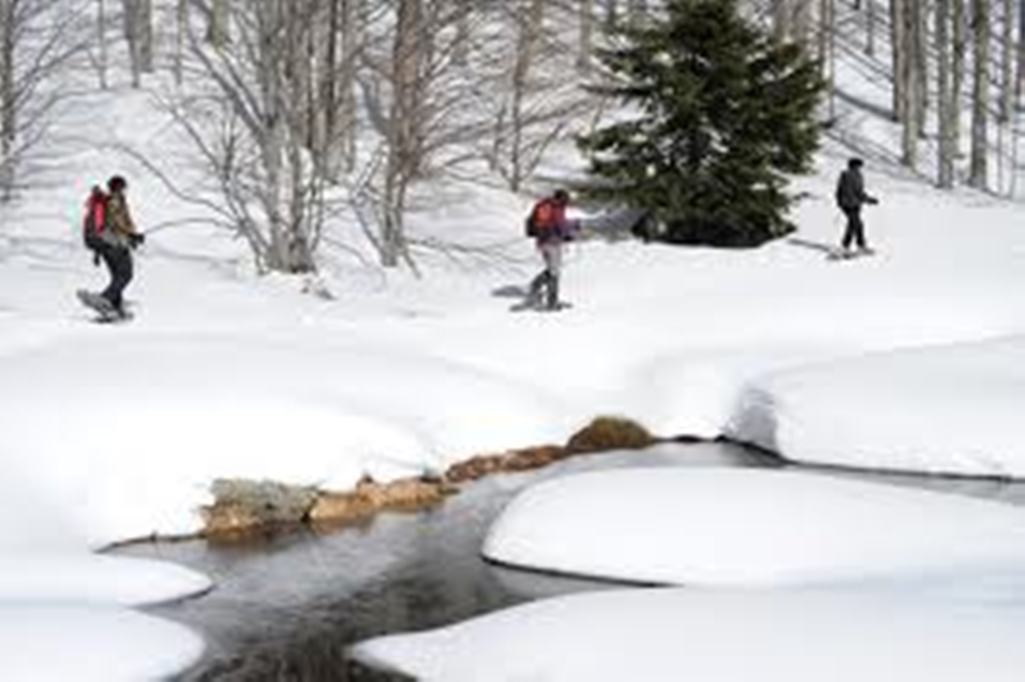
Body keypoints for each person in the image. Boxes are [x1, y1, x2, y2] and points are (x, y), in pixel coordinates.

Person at [87, 175, 144, 318]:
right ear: (119, 187)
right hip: (114, 243)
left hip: (105, 244)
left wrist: (131, 238)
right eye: (124, 187)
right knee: (126, 274)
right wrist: (132, 235)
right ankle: (105, 299)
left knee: (117, 276)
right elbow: (117, 224)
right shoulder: (115, 201)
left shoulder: (108, 201)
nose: (125, 190)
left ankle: (114, 307)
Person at [525, 189, 579, 311]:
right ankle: (551, 301)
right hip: (552, 243)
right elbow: (561, 226)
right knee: (554, 272)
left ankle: (536, 288)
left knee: (551, 269)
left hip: (542, 242)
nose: (566, 203)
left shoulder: (545, 205)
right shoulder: (556, 208)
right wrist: (572, 230)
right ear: (561, 199)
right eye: (566, 200)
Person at [835, 158, 879, 255]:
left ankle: (859, 245)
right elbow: (850, 191)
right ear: (853, 166)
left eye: (860, 166)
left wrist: (868, 199)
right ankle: (846, 246)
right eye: (858, 166)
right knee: (854, 224)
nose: (859, 168)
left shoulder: (856, 176)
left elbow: (858, 192)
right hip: (848, 204)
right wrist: (866, 200)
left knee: (857, 224)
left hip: (854, 204)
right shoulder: (849, 176)